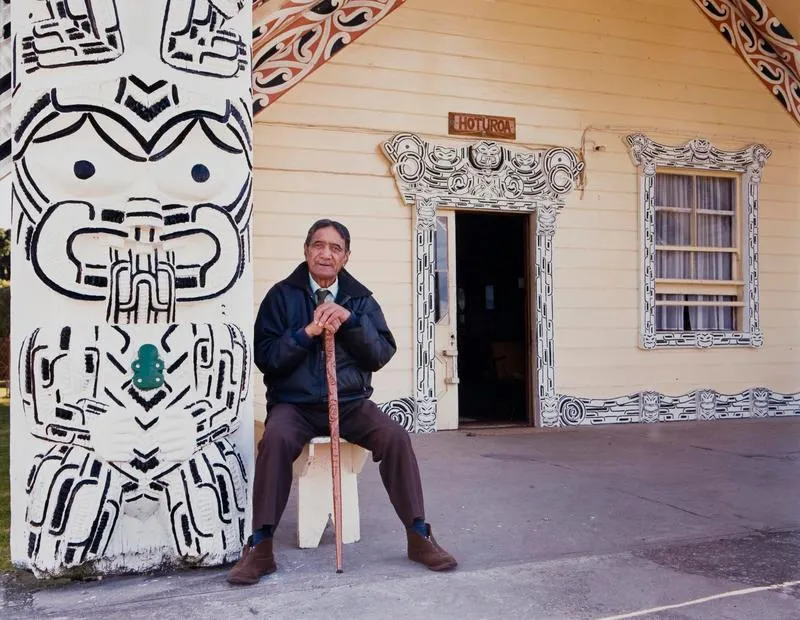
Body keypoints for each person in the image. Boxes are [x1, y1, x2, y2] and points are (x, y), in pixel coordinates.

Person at [227, 219, 457, 585]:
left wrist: (350, 323)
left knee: (395, 437)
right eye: (319, 245)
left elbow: (380, 353)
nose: (326, 254)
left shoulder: (360, 299)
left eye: (336, 248)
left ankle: (418, 534)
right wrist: (307, 333)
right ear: (306, 250)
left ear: (346, 256)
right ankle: (261, 546)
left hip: (350, 403)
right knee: (274, 441)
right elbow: (266, 356)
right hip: (295, 404)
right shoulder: (281, 296)